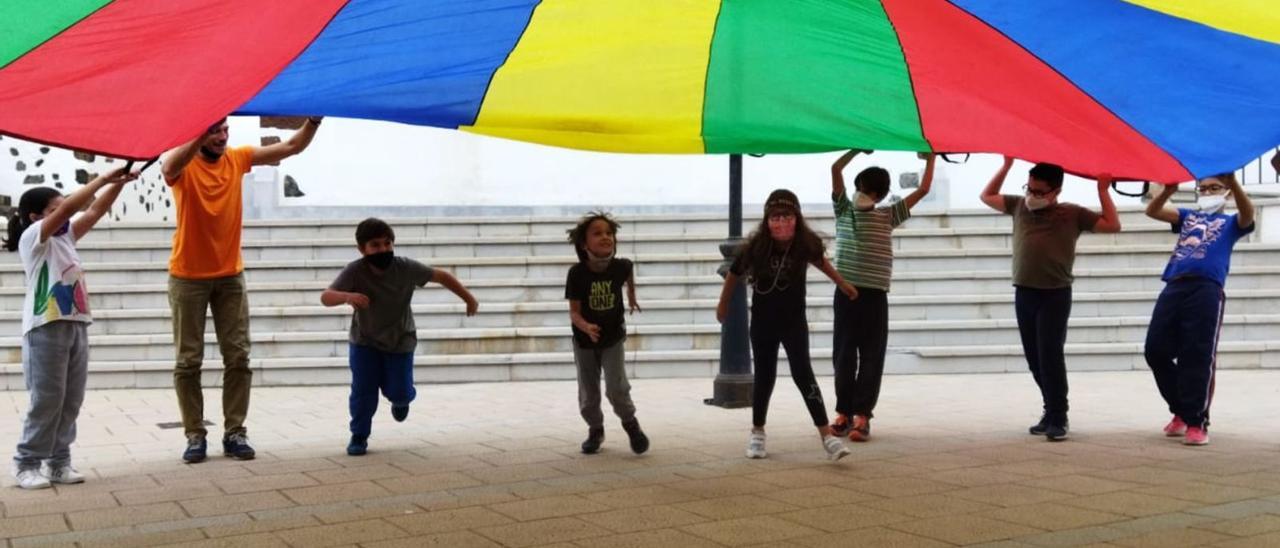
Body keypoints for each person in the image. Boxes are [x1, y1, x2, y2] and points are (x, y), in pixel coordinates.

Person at [161, 116, 321, 462]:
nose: (222, 136)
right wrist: (195, 134)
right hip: (187, 276)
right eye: (214, 131)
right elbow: (169, 165)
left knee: (238, 356)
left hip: (230, 275)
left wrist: (313, 121)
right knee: (188, 360)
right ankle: (194, 435)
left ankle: (235, 432)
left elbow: (290, 147)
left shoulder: (238, 158)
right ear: (200, 134)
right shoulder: (183, 165)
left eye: (224, 130)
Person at [5, 168, 137, 489]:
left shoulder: (66, 235)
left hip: (76, 323)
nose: (63, 212)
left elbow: (94, 210)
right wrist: (103, 179)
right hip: (45, 327)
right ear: (36, 216)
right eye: (54, 209)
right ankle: (26, 464)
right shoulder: (32, 238)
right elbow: (70, 209)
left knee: (71, 399)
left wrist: (117, 185)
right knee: (47, 399)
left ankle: (59, 462)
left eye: (60, 207)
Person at [979, 157, 1120, 441]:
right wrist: (1005, 166)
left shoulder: (1072, 213)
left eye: (1040, 192)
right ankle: (1050, 408)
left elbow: (1112, 225)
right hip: (1024, 291)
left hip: (1055, 293)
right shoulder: (1019, 205)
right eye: (1030, 188)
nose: (1033, 196)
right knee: (1034, 358)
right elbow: (987, 196)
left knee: (1050, 354)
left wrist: (1103, 191)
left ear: (1056, 192)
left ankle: (1059, 415)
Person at [716, 189, 855, 461]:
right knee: (765, 376)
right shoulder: (756, 248)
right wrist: (723, 305)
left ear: (797, 218)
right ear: (767, 221)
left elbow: (822, 263)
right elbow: (734, 274)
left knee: (803, 374)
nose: (781, 223)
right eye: (775, 218)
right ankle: (757, 431)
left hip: (793, 322)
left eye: (787, 217)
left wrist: (842, 283)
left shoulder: (804, 245)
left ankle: (827, 435)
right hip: (763, 323)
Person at [321, 218, 478, 455]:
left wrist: (469, 298)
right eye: (375, 245)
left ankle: (401, 400)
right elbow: (326, 297)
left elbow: (442, 276)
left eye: (387, 243)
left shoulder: (405, 267)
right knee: (363, 391)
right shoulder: (355, 271)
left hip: (400, 340)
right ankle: (359, 435)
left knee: (400, 390)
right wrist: (346, 296)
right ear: (362, 249)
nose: (383, 249)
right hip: (365, 342)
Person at [828, 150, 935, 442]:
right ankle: (843, 413)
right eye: (860, 188)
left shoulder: (889, 214)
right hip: (845, 293)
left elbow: (924, 189)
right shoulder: (844, 210)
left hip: (875, 296)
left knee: (872, 357)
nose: (862, 194)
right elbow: (835, 169)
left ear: (879, 196)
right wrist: (855, 148)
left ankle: (862, 417)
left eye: (869, 191)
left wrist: (931, 158)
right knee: (843, 356)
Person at [1143, 174, 1254, 446]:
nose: (1206, 193)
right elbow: (1153, 210)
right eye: (1202, 189)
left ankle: (1196, 420)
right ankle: (1181, 409)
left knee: (1197, 354)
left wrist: (1234, 183)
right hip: (1175, 285)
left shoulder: (1230, 223)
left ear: (1227, 193)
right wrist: (1167, 190)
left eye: (1214, 188)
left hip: (1206, 289)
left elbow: (1247, 214)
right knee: (1155, 350)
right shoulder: (1188, 217)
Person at [565, 212, 650, 455]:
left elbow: (628, 271)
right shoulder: (577, 274)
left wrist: (631, 296)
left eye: (609, 233)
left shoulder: (621, 266)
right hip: (584, 342)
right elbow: (574, 313)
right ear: (584, 244)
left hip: (613, 338)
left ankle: (631, 424)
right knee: (589, 391)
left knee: (616, 387)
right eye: (597, 233)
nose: (605, 237)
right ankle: (595, 429)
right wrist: (586, 327)